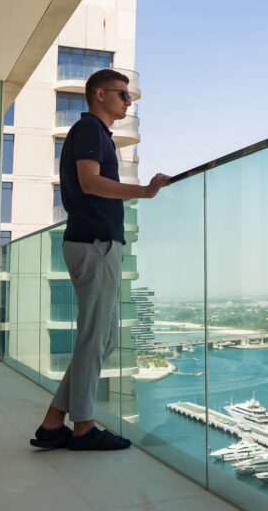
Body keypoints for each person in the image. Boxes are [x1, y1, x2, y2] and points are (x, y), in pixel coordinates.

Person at [30, 69, 169, 451]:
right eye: (124, 95)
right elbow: (90, 183)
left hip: (93, 242)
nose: (129, 102)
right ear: (100, 94)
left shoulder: (96, 134)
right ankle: (84, 427)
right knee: (94, 337)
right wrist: (144, 190)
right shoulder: (90, 130)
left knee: (103, 337)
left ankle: (53, 423)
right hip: (94, 243)